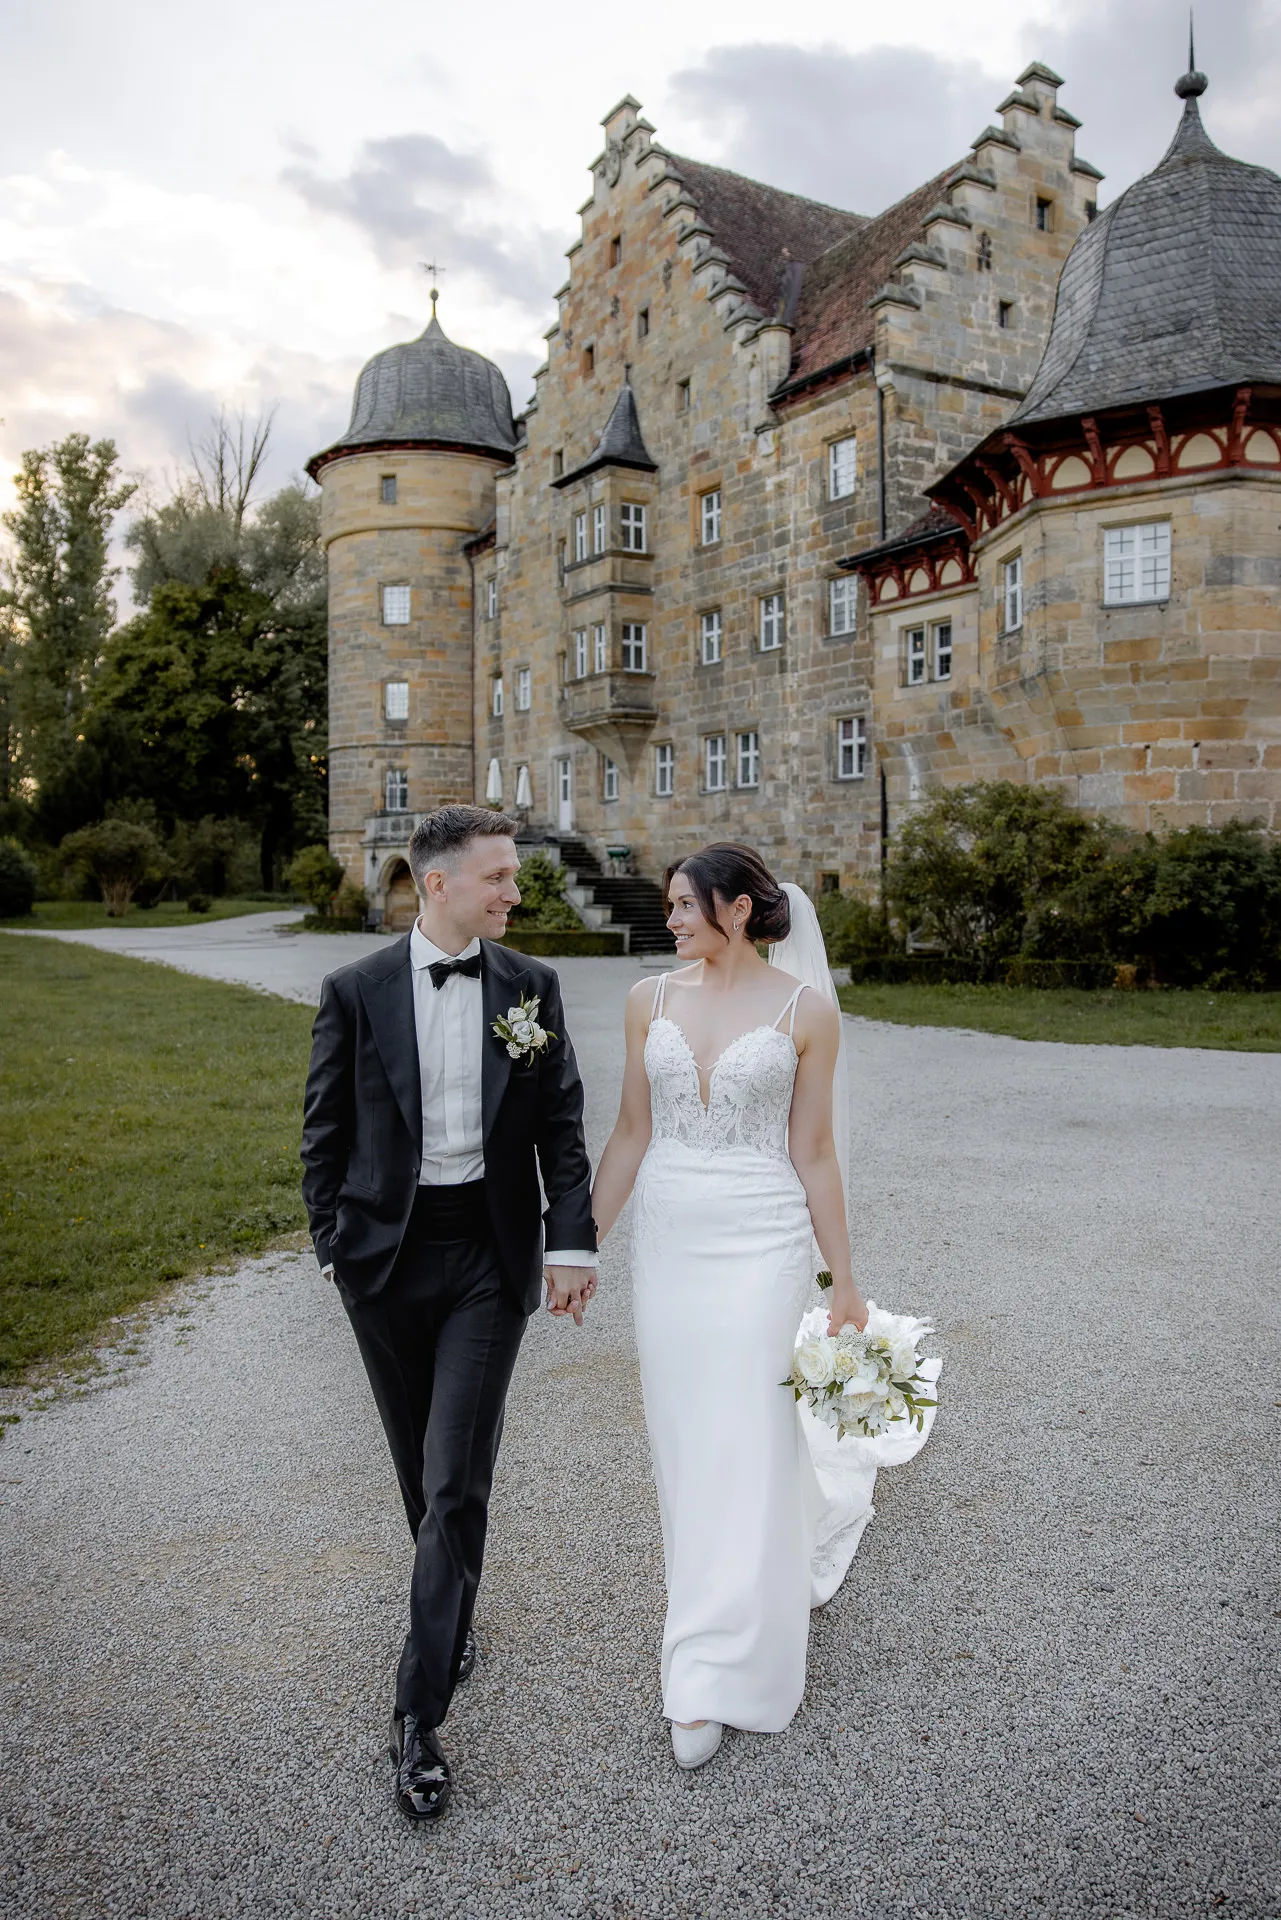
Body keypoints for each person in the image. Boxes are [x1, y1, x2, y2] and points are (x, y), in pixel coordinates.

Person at [591, 842, 925, 1770]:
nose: (672, 921)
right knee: (683, 1432)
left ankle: (722, 1662)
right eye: (668, 910)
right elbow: (627, 1134)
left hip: (762, 1243)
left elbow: (813, 1151)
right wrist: (577, 1246)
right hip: (669, 1243)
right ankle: (701, 1622)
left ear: (738, 910)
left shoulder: (805, 1013)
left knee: (746, 1427)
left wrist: (843, 1280)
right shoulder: (645, 1002)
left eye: (685, 906)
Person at [300, 805, 597, 1821]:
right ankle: (451, 1608)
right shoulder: (353, 992)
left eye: (514, 875)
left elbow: (561, 1126)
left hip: (488, 1256)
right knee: (419, 1478)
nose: (517, 890)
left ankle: (417, 1716)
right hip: (381, 1260)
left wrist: (571, 1242)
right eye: (501, 876)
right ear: (439, 883)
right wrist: (334, 1246)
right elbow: (323, 1131)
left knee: (456, 1477)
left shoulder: (532, 987)